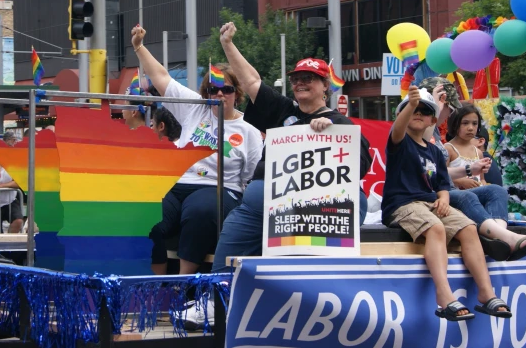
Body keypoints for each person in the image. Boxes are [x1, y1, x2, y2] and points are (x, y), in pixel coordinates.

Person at [211, 22, 372, 272]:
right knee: (226, 256)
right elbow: (252, 81)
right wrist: (228, 45)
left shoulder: (339, 122)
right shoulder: (285, 110)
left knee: (292, 270)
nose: (300, 83)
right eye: (296, 79)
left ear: (325, 86)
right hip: (256, 207)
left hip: (305, 211)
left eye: (308, 78)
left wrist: (330, 134)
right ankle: (216, 304)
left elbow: (359, 168)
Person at [131, 24, 264, 275]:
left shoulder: (249, 130)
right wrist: (138, 47)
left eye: (227, 89)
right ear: (206, 93)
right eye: (214, 89)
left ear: (237, 93)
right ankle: (154, 287)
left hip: (219, 189)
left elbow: (250, 179)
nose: (220, 95)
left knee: (200, 212)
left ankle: (182, 285)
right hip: (178, 182)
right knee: (146, 215)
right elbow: (161, 78)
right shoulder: (195, 109)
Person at [383, 86, 510, 321]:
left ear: (433, 119)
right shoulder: (399, 141)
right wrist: (410, 104)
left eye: (424, 111)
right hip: (401, 205)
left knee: (470, 228)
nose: (417, 113)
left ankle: (486, 293)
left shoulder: (433, 150)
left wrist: (443, 197)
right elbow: (397, 130)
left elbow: (443, 183)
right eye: (412, 110)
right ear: (402, 115)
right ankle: (444, 296)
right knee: (436, 228)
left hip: (431, 203)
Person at [444, 104, 526, 261]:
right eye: (465, 123)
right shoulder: (448, 148)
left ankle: (498, 236)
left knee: (498, 190)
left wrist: (483, 185)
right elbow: (439, 177)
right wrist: (461, 180)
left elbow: (482, 179)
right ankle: (507, 237)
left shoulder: (478, 152)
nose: (470, 127)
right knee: (481, 194)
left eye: (474, 123)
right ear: (455, 124)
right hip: (458, 195)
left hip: (476, 194)